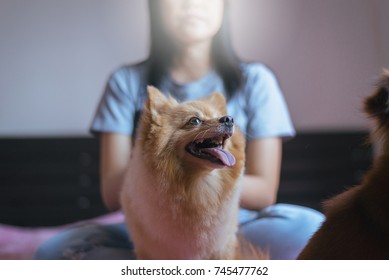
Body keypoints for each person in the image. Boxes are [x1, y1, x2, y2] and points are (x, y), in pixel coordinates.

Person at [34, 0, 324, 260]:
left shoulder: (257, 80)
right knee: (54, 253)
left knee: (310, 229)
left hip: (234, 224)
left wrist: (200, 178)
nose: (192, 4)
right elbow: (113, 191)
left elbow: (263, 192)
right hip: (149, 223)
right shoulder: (125, 82)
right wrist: (161, 168)